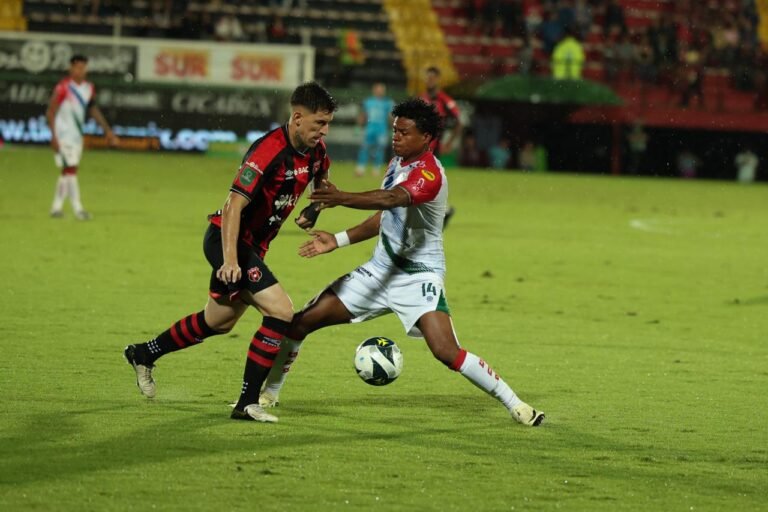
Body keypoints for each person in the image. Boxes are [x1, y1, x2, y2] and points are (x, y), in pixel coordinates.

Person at [258, 98, 545, 427]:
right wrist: (337, 240)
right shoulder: (396, 164)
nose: (396, 137)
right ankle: (271, 392)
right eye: (395, 130)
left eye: (404, 132)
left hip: (418, 277)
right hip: (378, 273)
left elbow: (393, 198)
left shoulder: (429, 173)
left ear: (425, 138)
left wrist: (341, 198)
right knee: (300, 322)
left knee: (445, 351)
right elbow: (385, 217)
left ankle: (516, 404)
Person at [123, 82, 338, 423]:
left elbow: (322, 183)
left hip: (253, 247)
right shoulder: (267, 151)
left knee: (218, 321)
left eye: (327, 124)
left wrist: (314, 210)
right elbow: (233, 205)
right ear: (297, 117)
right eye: (319, 123)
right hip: (229, 241)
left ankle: (143, 353)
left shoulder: (316, 152)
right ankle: (247, 403)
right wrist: (230, 261)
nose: (324, 131)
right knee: (281, 311)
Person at [47, 54, 118, 220]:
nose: (81, 70)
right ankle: (78, 209)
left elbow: (93, 109)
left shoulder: (88, 88)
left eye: (83, 67)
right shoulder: (63, 87)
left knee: (67, 171)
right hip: (63, 134)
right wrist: (54, 136)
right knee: (71, 170)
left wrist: (107, 130)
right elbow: (51, 111)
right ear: (70, 68)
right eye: (77, 67)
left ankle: (56, 208)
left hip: (77, 136)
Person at [420, 66, 460, 228]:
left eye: (432, 77)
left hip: (433, 149)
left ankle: (440, 211)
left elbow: (458, 122)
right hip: (419, 147)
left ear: (437, 79)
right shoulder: (421, 99)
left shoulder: (445, 100)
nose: (430, 80)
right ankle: (441, 211)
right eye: (428, 77)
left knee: (426, 179)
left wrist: (449, 142)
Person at [355, 82, 394, 177]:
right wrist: (358, 125)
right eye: (378, 89)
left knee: (380, 149)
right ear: (374, 90)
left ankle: (376, 169)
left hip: (382, 130)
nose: (380, 91)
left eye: (382, 89)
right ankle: (360, 169)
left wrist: (393, 127)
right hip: (370, 129)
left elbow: (390, 117)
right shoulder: (368, 102)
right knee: (365, 148)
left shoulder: (388, 103)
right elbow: (363, 115)